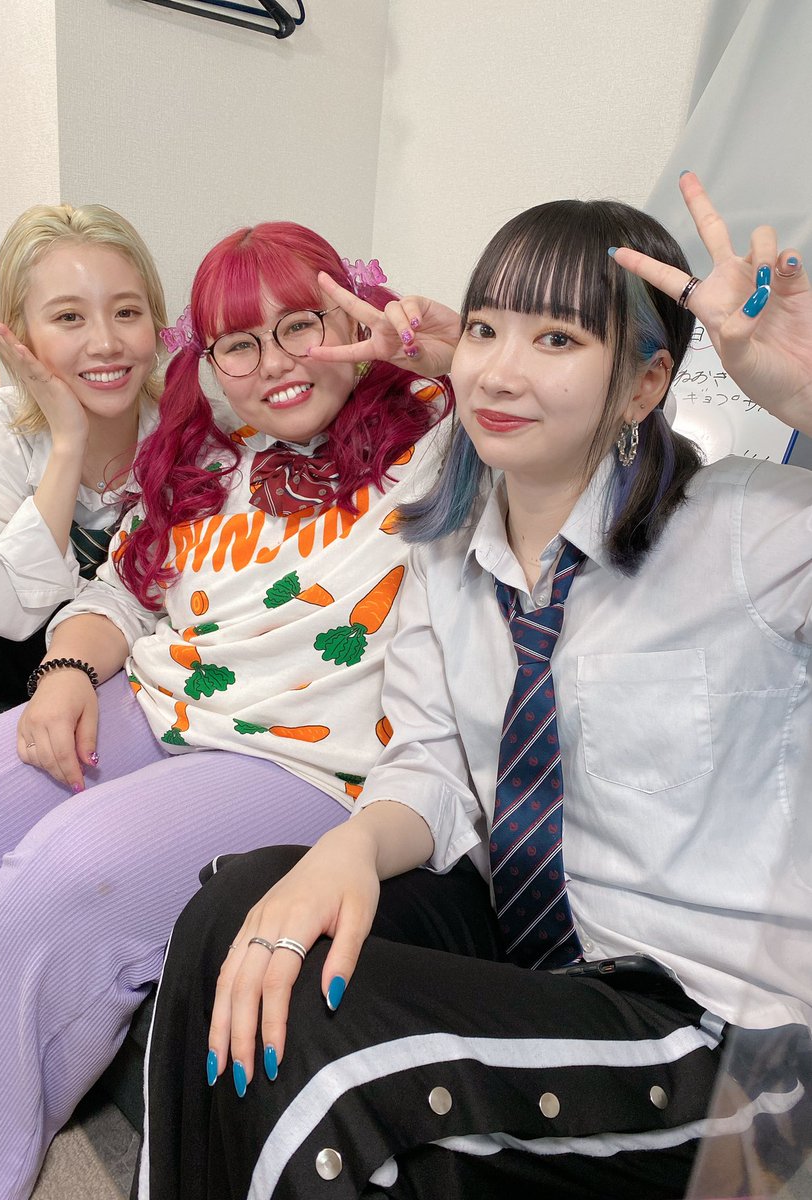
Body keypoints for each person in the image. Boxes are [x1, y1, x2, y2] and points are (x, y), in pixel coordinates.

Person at [140, 174, 812, 1200]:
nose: (498, 370)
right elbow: (432, 765)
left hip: (714, 1016)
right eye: (488, 328)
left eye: (557, 339)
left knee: (336, 1063)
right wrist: (352, 845)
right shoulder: (449, 542)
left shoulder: (748, 531)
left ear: (644, 385)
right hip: (526, 945)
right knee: (236, 914)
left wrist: (803, 398)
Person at [0, 221, 454, 1199]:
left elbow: (569, 425)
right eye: (241, 342)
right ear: (210, 360)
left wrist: (449, 355)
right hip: (156, 701)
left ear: (351, 317)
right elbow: (119, 591)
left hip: (299, 761)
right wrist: (66, 669)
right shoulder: (213, 456)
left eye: (302, 325)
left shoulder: (440, 446)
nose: (275, 362)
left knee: (55, 881)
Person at [0, 202, 167, 769]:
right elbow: (3, 615)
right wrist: (68, 441)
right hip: (22, 637)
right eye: (69, 317)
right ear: (19, 333)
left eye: (127, 312)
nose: (106, 343)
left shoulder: (195, 430)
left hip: (138, 644)